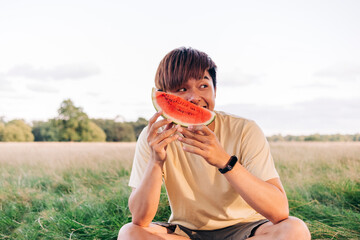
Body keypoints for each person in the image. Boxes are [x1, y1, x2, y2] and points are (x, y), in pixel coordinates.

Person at [118, 47, 311, 240]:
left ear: (215, 90)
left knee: (295, 230)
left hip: (247, 230)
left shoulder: (245, 129)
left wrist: (225, 162)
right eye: (182, 89)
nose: (194, 97)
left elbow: (279, 211)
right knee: (129, 233)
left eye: (203, 86)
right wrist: (156, 161)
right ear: (164, 96)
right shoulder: (153, 137)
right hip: (186, 233)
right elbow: (140, 219)